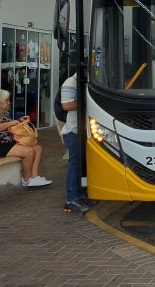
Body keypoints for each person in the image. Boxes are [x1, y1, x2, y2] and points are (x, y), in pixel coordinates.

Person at [0, 89, 51, 187]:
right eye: (6, 100)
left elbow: (8, 124)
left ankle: (34, 177)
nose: (9, 102)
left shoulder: (3, 112)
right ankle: (26, 180)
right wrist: (10, 123)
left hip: (7, 142)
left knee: (38, 148)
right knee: (29, 152)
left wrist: (18, 121)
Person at [60, 73, 91, 213]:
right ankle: (71, 199)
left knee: (82, 165)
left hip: (82, 131)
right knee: (75, 164)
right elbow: (66, 105)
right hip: (73, 132)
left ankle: (80, 195)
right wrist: (90, 101)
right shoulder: (70, 82)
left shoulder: (85, 82)